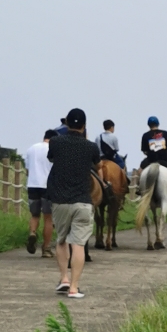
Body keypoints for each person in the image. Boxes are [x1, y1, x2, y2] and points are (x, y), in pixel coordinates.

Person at [47, 108, 98, 299]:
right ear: (84, 126)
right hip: (83, 201)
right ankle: (74, 288)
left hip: (60, 200)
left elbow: (51, 158)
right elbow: (97, 164)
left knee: (61, 240)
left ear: (67, 123)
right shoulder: (91, 146)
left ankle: (64, 279)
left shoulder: (55, 142)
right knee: (78, 244)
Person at [22, 129, 55, 256]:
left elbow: (27, 170)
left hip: (32, 185)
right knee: (48, 217)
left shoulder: (31, 149)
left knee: (34, 215)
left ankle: (32, 232)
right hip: (47, 186)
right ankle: (46, 249)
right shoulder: (53, 150)